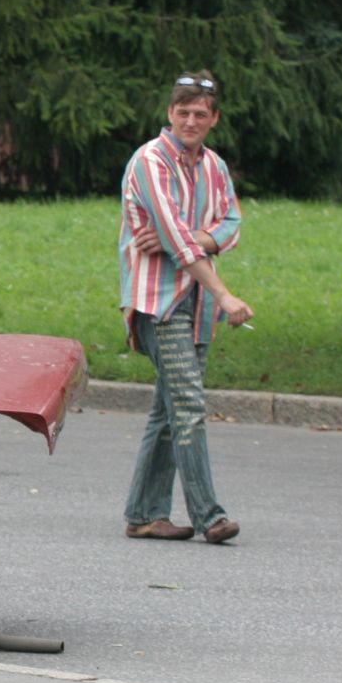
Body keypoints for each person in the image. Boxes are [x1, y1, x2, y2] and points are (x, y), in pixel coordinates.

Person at [118, 70, 253, 545]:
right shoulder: (150, 161)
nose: (190, 120)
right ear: (169, 114)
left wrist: (198, 236)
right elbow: (173, 239)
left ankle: (143, 515)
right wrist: (224, 292)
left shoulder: (213, 166)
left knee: (168, 410)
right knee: (190, 406)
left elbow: (231, 222)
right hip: (160, 303)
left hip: (194, 306)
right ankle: (211, 516)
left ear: (214, 119)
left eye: (200, 113)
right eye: (182, 112)